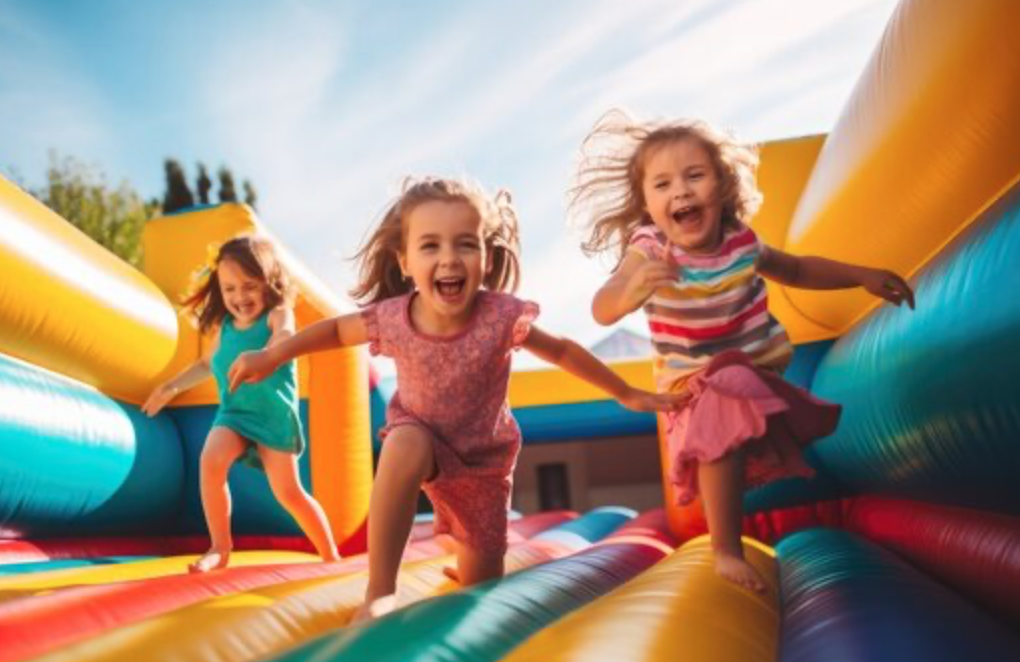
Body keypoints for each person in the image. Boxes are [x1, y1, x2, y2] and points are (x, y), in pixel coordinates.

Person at [228, 177, 682, 620]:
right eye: (431, 246)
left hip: (482, 465)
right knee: (404, 441)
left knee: (481, 585)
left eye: (465, 244)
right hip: (420, 439)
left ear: (485, 257)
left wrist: (624, 392)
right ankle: (379, 590)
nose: (449, 259)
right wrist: (274, 354)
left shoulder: (501, 316)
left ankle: (470, 563)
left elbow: (562, 349)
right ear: (404, 260)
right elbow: (334, 330)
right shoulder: (393, 318)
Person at [573, 110, 915, 592]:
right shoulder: (650, 247)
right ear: (647, 205)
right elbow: (602, 307)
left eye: (695, 176)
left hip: (754, 373)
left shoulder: (742, 243)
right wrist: (629, 293)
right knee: (720, 405)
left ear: (723, 186)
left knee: (733, 394)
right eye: (663, 185)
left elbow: (797, 270)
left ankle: (748, 494)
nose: (681, 192)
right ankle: (725, 550)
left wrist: (861, 275)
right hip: (691, 386)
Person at [143, 235, 340, 573]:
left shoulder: (277, 315)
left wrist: (269, 353)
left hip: (272, 415)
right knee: (211, 462)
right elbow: (208, 364)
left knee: (289, 493)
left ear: (269, 282)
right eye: (229, 288)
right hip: (233, 414)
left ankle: (331, 556)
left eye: (249, 286)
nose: (239, 297)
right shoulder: (226, 328)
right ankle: (220, 547)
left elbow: (286, 336)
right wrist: (171, 386)